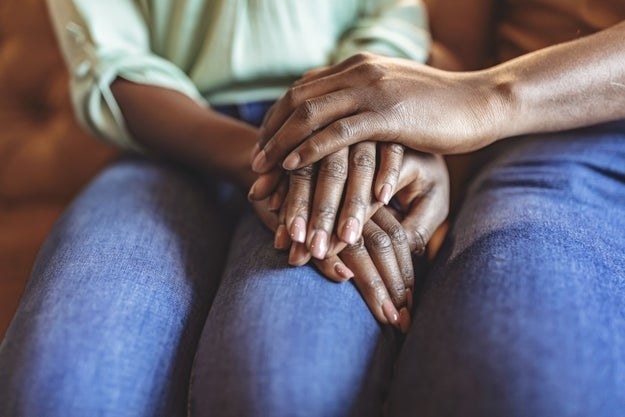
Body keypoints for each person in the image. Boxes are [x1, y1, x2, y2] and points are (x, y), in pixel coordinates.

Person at [0, 1, 447, 416]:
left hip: (333, 134)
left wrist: (340, 128)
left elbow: (390, 22)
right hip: (167, 138)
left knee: (281, 387)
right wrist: (267, 159)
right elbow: (109, 61)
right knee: (57, 384)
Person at [251, 0, 625, 415]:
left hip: (528, 108)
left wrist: (489, 97)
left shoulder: (497, 97)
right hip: (539, 134)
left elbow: (475, 91)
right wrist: (406, 144)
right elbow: (453, 47)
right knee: (500, 380)